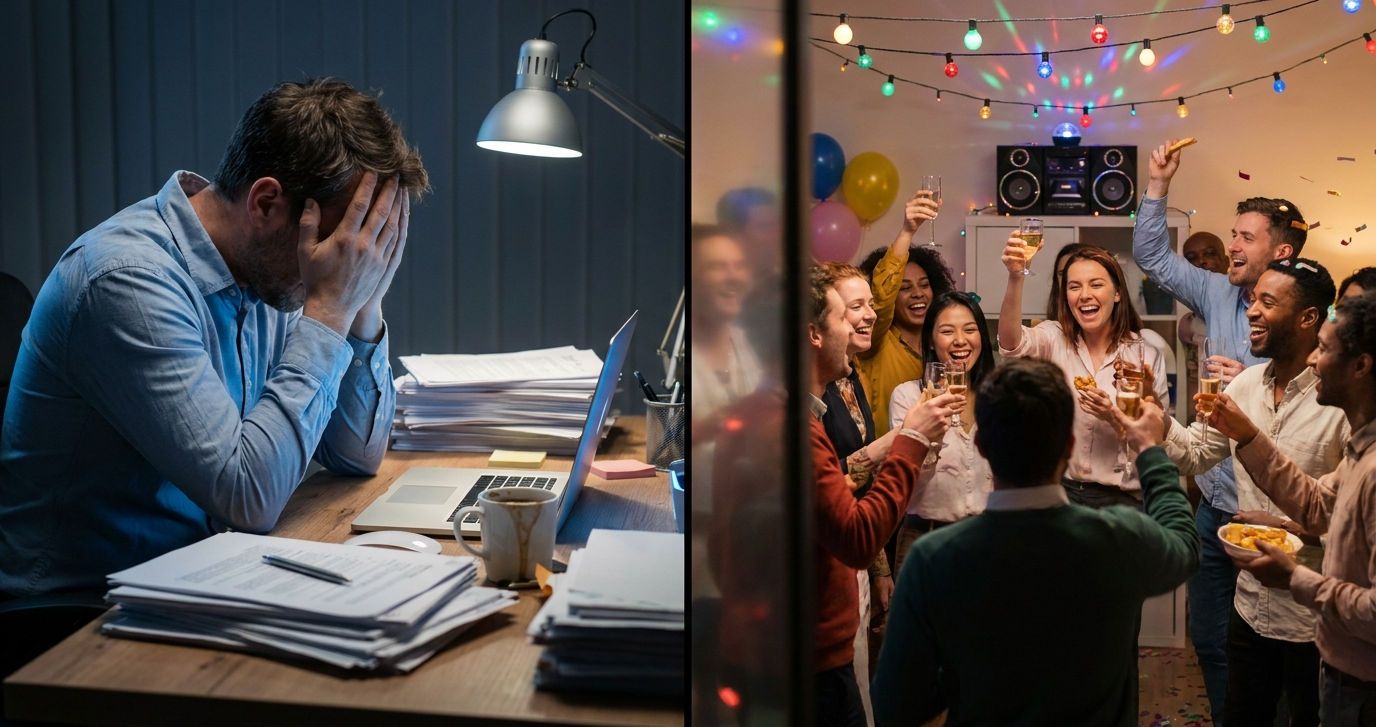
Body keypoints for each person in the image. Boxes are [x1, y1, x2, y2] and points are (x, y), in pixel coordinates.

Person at [0, 79, 427, 597]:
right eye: (342, 241)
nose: (344, 260)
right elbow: (248, 497)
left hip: (198, 579)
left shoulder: (270, 271)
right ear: (267, 203)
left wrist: (364, 297)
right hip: (80, 615)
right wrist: (332, 306)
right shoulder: (126, 282)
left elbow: (356, 455)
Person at [871, 358, 1199, 726]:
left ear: (981, 444)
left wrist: (970, 664)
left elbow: (895, 705)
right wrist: (1150, 452)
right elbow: (1184, 547)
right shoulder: (1116, 539)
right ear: (1069, 444)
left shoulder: (933, 560)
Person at [1134, 139, 1308, 721]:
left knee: (1283, 657)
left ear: (1281, 250)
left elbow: (1310, 405)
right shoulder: (1218, 291)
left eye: (1245, 237)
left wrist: (1253, 378)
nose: (1231, 246)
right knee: (1212, 643)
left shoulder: (1311, 315)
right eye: (1232, 235)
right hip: (1216, 508)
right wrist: (1158, 185)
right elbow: (1153, 259)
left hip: (1279, 518)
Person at [1161, 259, 1346, 727]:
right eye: (1252, 300)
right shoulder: (1243, 385)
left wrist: (1290, 528)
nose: (1252, 312)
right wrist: (1155, 418)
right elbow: (1198, 455)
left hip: (1313, 617)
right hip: (1248, 608)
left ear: (1309, 318)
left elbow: (1349, 515)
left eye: (1268, 302)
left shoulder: (1339, 401)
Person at [1205, 292, 1376, 726]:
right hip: (1342, 668)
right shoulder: (1362, 448)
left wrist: (1296, 578)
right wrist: (1248, 438)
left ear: (1361, 366)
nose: (1314, 361)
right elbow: (1319, 506)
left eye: (1325, 349)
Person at [804, 263, 963, 726]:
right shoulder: (797, 422)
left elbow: (831, 492)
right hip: (816, 641)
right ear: (815, 333)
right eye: (847, 313)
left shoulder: (838, 385)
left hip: (832, 607)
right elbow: (852, 529)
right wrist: (909, 440)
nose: (863, 319)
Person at [999, 242, 1169, 508]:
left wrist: (1112, 414)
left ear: (1117, 293)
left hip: (1124, 500)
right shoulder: (1054, 337)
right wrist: (1015, 276)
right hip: (1061, 494)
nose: (1084, 295)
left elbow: (1157, 433)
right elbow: (1011, 345)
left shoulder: (1144, 353)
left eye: (1096, 284)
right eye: (1074, 286)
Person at [816, 261, 903, 691]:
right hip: (831, 561)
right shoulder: (817, 387)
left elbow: (857, 488)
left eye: (871, 303)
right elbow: (827, 482)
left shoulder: (849, 377)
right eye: (856, 306)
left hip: (857, 557)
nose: (870, 314)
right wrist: (895, 445)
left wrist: (879, 568)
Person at [886, 291, 997, 575]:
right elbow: (905, 486)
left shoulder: (997, 395)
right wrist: (933, 432)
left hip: (990, 540)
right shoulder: (909, 397)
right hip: (927, 540)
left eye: (970, 330)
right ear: (932, 343)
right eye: (947, 331)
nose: (960, 340)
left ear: (982, 338)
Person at [855, 192, 949, 438]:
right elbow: (882, 293)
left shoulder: (941, 343)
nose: (918, 294)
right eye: (904, 288)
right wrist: (908, 230)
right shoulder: (875, 341)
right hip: (887, 464)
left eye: (924, 285)